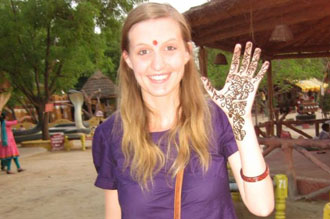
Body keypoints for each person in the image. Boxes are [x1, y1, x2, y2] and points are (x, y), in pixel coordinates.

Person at [92, 3, 274, 219]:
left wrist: (241, 121)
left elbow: (262, 206)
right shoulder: (110, 134)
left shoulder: (217, 118)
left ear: (187, 52)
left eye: (169, 48)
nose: (157, 64)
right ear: (128, 59)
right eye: (143, 51)